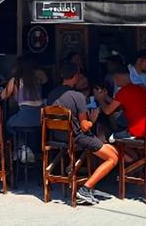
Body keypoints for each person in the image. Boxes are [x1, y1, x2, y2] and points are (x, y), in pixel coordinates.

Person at [50, 62, 120, 205]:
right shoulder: (78, 96)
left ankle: (91, 186)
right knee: (113, 158)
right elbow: (84, 126)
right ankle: (85, 189)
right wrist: (92, 120)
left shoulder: (52, 94)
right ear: (76, 76)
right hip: (76, 137)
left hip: (57, 136)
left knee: (113, 150)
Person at [2, 55, 46, 160]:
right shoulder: (37, 78)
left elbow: (3, 96)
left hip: (24, 115)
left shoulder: (16, 80)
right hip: (40, 118)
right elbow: (46, 81)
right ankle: (26, 149)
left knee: (8, 125)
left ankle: (22, 148)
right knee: (27, 129)